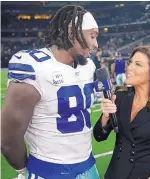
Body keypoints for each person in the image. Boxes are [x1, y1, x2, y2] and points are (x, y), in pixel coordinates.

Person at [1, 5, 100, 179]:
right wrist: (21, 168)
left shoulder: (88, 66)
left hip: (89, 166)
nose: (95, 44)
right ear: (72, 33)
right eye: (92, 36)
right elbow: (8, 139)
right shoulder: (34, 67)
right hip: (48, 170)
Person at [93, 45, 150, 179]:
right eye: (130, 62)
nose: (129, 67)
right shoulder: (120, 97)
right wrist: (105, 118)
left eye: (138, 64)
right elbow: (99, 136)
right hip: (115, 174)